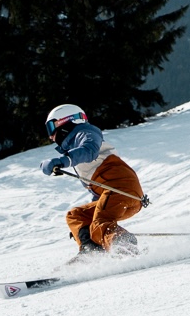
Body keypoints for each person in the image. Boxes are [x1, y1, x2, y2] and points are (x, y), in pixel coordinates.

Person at [41, 103, 145, 257]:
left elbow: (89, 150)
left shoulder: (85, 132)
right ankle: (91, 251)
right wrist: (85, 232)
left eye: (51, 128)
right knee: (76, 215)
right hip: (118, 194)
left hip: (120, 187)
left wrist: (62, 161)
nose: (51, 136)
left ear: (64, 122)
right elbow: (99, 192)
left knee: (100, 223)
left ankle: (125, 246)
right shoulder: (76, 145)